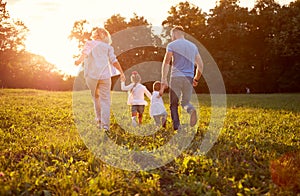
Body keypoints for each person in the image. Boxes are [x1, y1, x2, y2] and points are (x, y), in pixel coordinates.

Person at [74, 27, 125, 131]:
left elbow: (85, 54)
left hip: (91, 77)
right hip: (105, 76)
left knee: (96, 99)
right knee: (105, 101)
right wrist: (121, 72)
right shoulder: (108, 47)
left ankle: (99, 122)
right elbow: (114, 61)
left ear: (94, 35)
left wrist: (79, 61)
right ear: (104, 36)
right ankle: (105, 126)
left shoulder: (89, 43)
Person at [160, 26, 204, 130]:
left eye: (171, 35)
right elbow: (200, 65)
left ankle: (177, 127)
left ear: (175, 34)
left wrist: (164, 78)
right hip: (189, 77)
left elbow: (166, 62)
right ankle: (191, 109)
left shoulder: (172, 45)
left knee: (173, 104)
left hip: (176, 77)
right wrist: (196, 79)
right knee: (185, 102)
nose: (171, 38)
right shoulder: (193, 46)